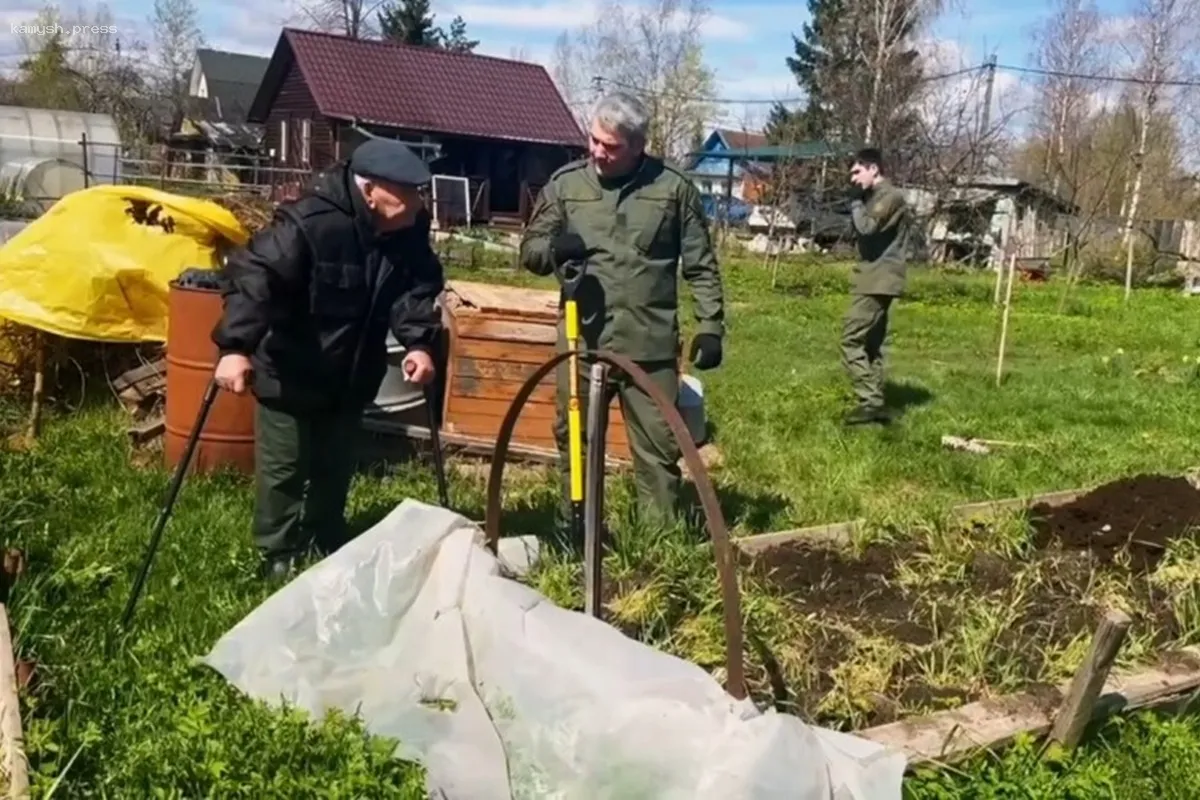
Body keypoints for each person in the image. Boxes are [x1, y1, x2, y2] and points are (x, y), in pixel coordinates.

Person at [211, 138, 445, 579]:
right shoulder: (310, 223)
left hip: (351, 372)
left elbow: (415, 289)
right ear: (370, 190)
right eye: (407, 192)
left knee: (335, 464)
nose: (418, 203)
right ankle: (277, 554)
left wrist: (418, 343)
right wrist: (235, 347)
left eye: (418, 192)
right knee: (285, 467)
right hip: (292, 366)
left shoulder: (408, 227)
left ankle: (326, 538)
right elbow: (255, 277)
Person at [520, 91, 726, 533]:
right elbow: (530, 251)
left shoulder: (673, 190)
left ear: (637, 145)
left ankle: (658, 540)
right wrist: (555, 248)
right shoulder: (566, 186)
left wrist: (711, 326)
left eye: (610, 146)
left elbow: (701, 266)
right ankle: (578, 530)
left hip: (649, 346)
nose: (597, 151)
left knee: (658, 445)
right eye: (594, 140)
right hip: (581, 341)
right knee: (575, 438)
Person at [842, 147, 911, 426]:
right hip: (872, 277)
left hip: (878, 280)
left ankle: (870, 401)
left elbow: (867, 228)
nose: (853, 178)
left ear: (874, 169)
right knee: (871, 345)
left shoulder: (890, 197)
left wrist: (855, 203)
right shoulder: (874, 197)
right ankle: (876, 403)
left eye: (857, 172)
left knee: (850, 340)